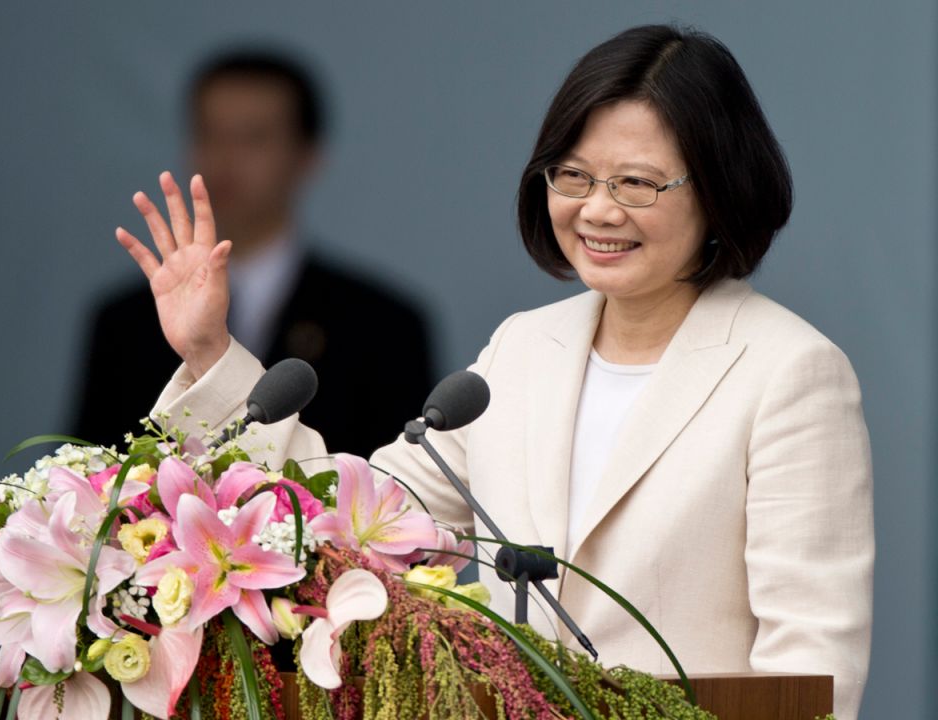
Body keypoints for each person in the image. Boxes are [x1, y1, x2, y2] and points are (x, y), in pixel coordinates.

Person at [113, 24, 874, 719]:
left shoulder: (790, 372)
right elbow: (353, 523)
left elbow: (813, 670)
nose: (598, 211)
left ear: (719, 187)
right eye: (572, 176)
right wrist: (210, 352)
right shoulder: (522, 349)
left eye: (637, 184)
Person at [73, 48, 434, 457]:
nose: (225, 160)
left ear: (307, 156)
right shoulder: (126, 321)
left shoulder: (382, 325)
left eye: (252, 138)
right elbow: (89, 478)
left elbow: (399, 491)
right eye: (210, 135)